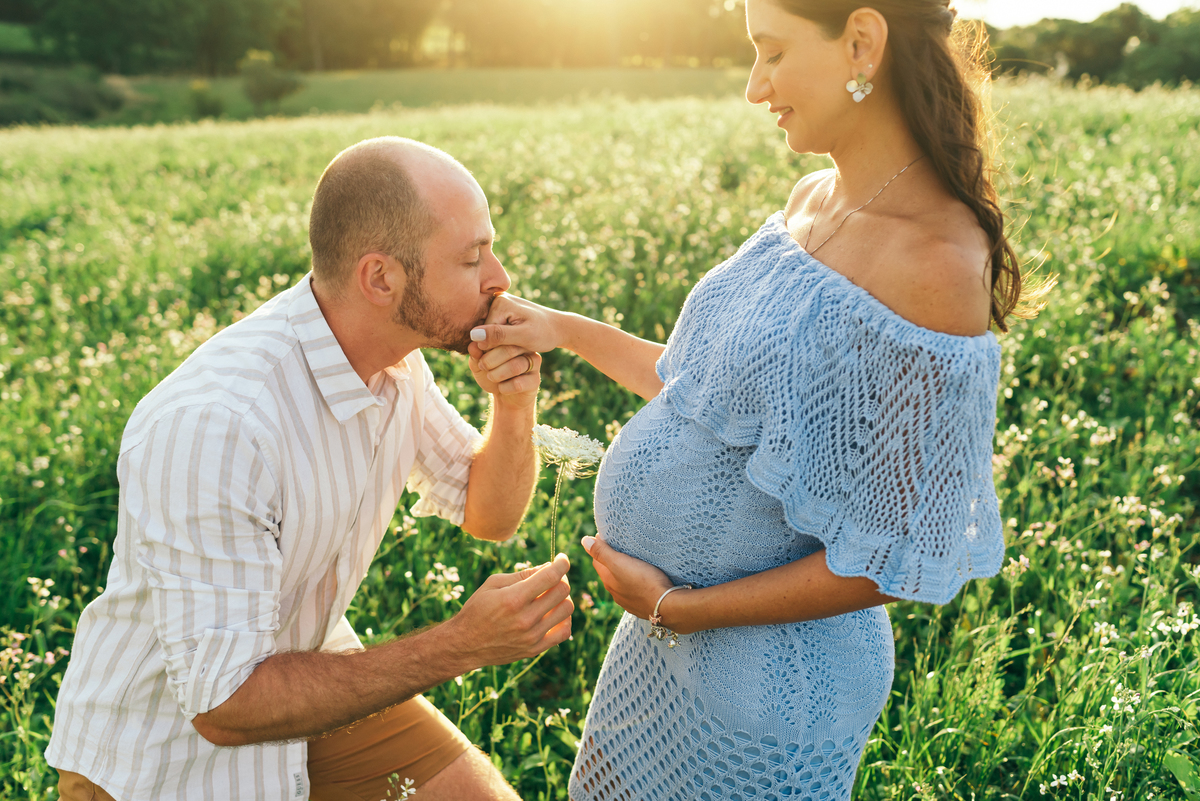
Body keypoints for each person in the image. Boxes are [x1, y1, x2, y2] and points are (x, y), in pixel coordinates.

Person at [469, 1, 1048, 797]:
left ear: (862, 41)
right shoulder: (812, 198)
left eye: (771, 53)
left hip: (766, 694)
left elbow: (888, 555)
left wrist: (679, 606)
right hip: (658, 648)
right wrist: (562, 329)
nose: (753, 87)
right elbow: (705, 393)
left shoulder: (938, 265)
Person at [45, 137, 574, 801]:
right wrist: (461, 643)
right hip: (165, 753)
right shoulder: (220, 425)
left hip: (309, 669)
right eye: (472, 257)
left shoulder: (395, 362)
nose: (499, 276)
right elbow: (222, 704)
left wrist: (514, 400)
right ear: (381, 279)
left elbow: (488, 513)